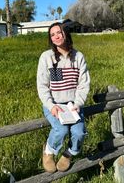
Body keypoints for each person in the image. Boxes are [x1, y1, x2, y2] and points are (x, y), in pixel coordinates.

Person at [37, 22, 90, 173]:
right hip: (54, 104)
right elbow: (42, 86)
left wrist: (78, 103)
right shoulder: (47, 57)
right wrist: (51, 105)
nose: (56, 36)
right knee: (61, 130)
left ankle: (69, 154)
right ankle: (49, 152)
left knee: (79, 133)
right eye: (52, 34)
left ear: (66, 33)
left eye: (58, 32)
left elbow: (83, 84)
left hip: (73, 106)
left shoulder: (78, 57)